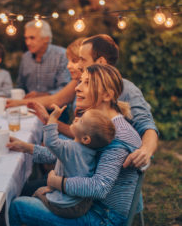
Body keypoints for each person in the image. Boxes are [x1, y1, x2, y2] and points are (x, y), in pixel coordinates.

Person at [8, 64, 142, 225]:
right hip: (84, 203)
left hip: (102, 216)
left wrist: (57, 182)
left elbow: (99, 187)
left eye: (86, 83)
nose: (77, 88)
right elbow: (70, 153)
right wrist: (26, 147)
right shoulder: (99, 124)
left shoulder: (116, 135)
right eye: (80, 81)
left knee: (18, 207)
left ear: (107, 95)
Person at [8, 34, 158, 168]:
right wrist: (48, 121)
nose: (78, 65)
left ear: (100, 62)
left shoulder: (126, 90)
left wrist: (145, 151)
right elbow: (80, 138)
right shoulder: (85, 86)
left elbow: (147, 125)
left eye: (81, 59)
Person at [33, 105, 115, 219]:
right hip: (81, 203)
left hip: (65, 206)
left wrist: (52, 119)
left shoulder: (70, 148)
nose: (76, 118)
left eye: (81, 121)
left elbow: (50, 142)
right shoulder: (91, 152)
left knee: (37, 193)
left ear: (86, 139)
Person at [17, 20, 70, 98]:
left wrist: (40, 96)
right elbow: (20, 87)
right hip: (28, 108)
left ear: (46, 39)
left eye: (32, 38)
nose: (28, 43)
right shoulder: (26, 57)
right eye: (26, 38)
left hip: (56, 108)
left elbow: (65, 89)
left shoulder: (62, 55)